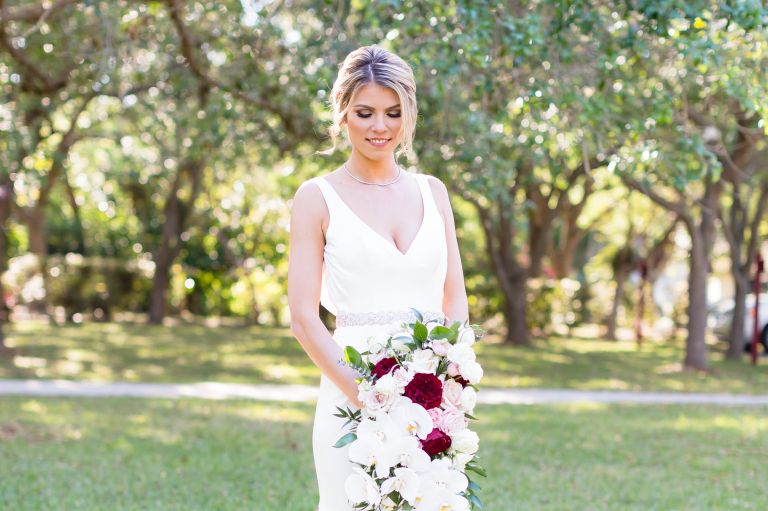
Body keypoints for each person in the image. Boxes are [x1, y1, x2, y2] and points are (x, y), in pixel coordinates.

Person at [287, 45, 469, 511]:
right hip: (351, 399)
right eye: (365, 113)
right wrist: (371, 399)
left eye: (393, 113)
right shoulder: (316, 198)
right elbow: (303, 319)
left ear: (408, 116)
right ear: (343, 114)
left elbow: (454, 298)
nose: (379, 127)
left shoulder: (433, 192)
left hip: (430, 405)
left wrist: (447, 384)